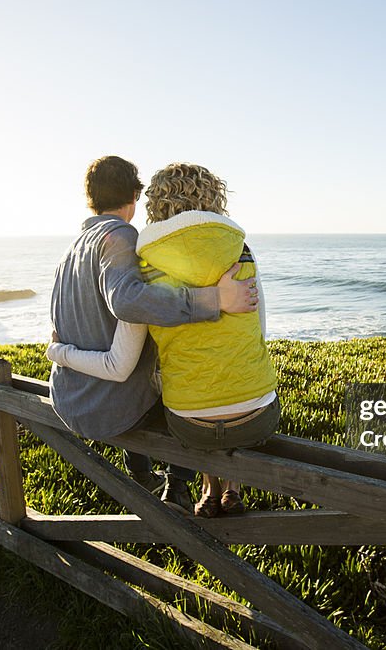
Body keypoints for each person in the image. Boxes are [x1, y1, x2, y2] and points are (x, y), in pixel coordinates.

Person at [48, 162, 279, 517]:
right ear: (135, 196)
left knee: (188, 386)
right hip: (240, 414)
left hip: (73, 400)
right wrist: (215, 300)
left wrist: (60, 353)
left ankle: (196, 485)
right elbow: (256, 334)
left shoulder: (83, 252)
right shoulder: (237, 250)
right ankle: (204, 483)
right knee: (204, 378)